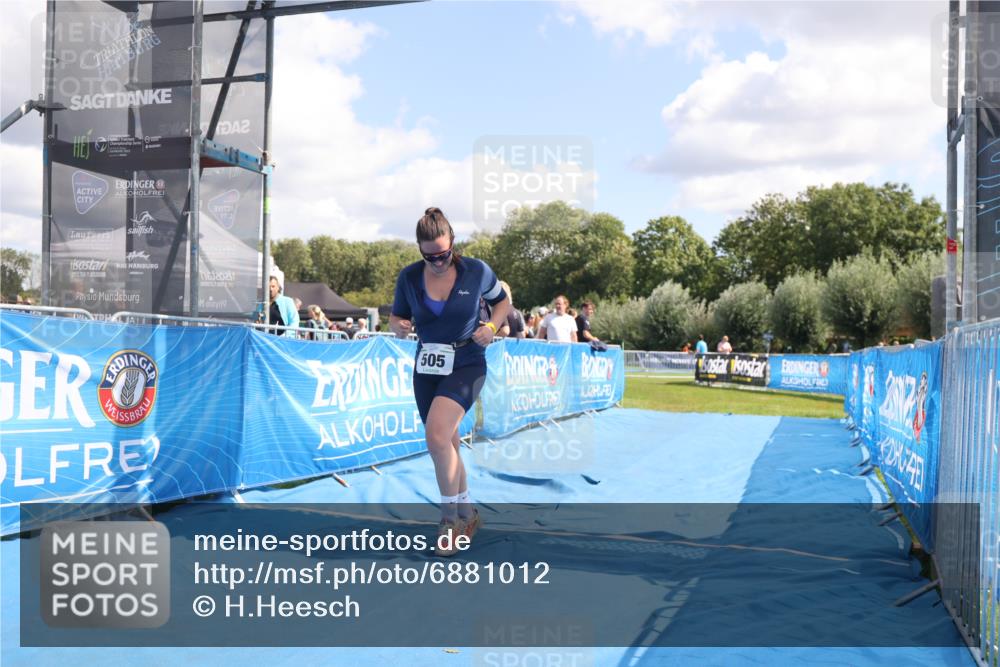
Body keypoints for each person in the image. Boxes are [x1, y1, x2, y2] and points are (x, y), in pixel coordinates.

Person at [389, 206, 509, 556]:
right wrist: (397, 326)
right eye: (429, 257)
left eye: (443, 254)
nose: (438, 262)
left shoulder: (477, 271)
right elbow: (397, 317)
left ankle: (450, 519)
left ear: (453, 243)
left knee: (437, 435)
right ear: (419, 250)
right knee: (448, 442)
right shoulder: (409, 277)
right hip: (427, 365)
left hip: (468, 361)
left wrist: (490, 327)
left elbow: (503, 304)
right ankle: (468, 512)